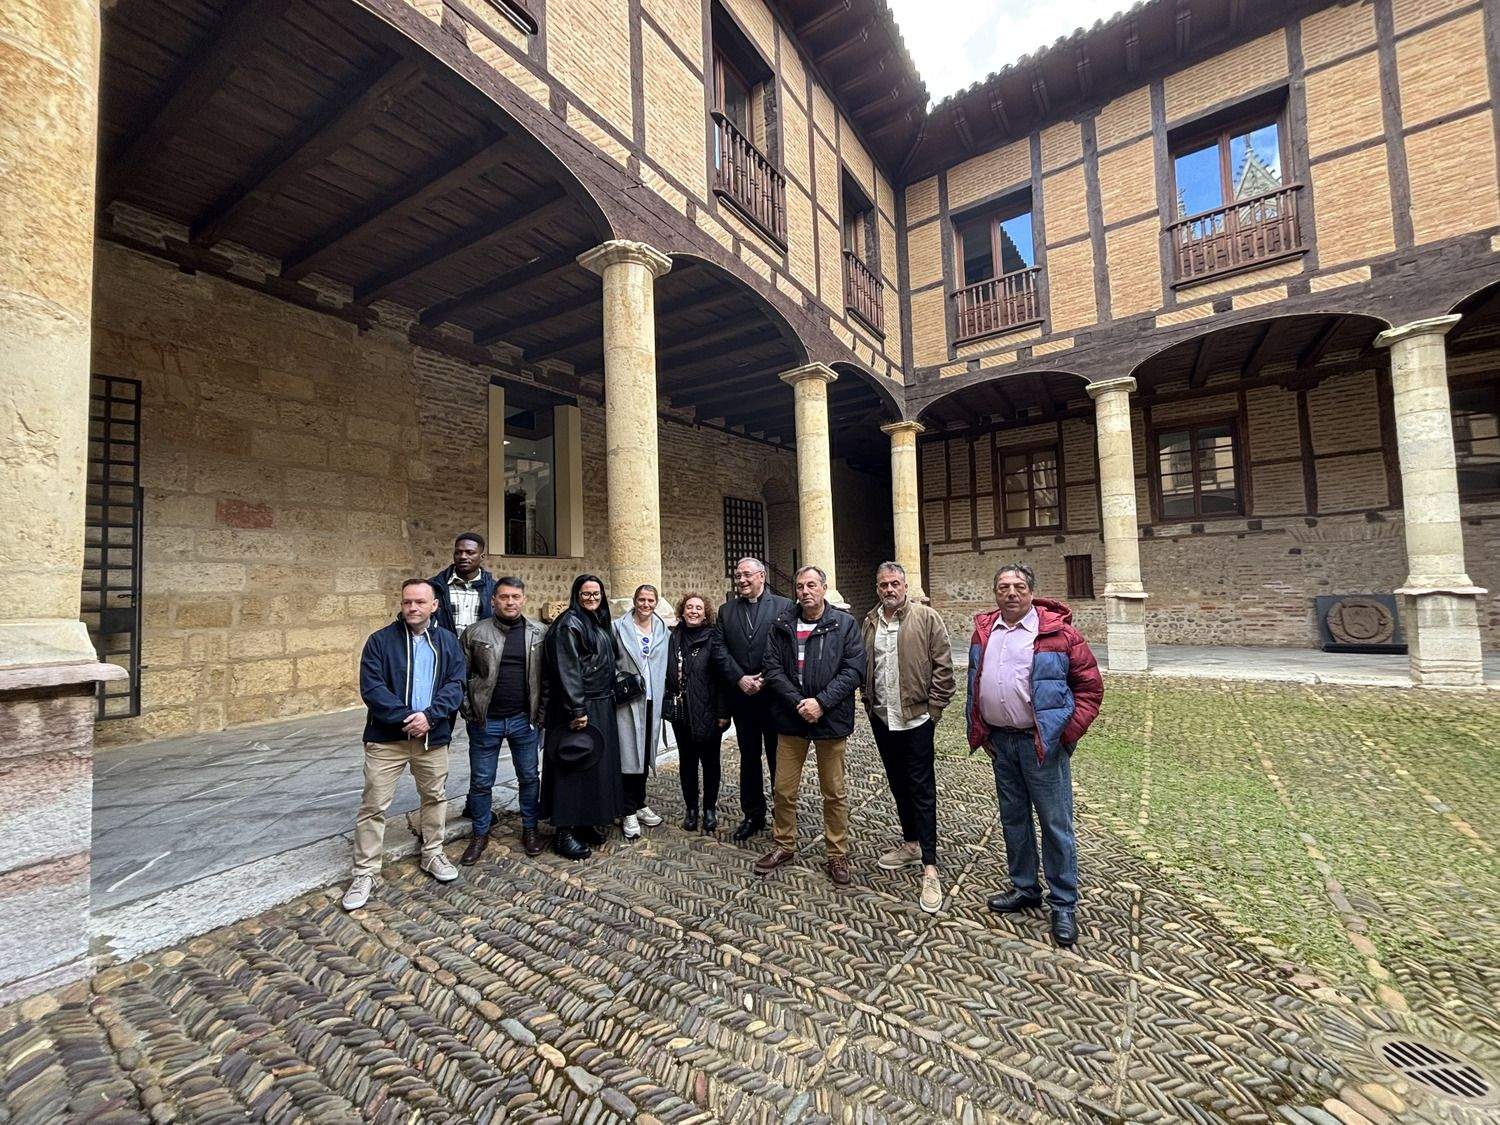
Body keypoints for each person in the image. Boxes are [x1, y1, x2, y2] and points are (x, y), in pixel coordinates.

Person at [967, 562, 1103, 948]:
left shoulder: (1059, 634)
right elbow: (975, 682)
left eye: (1019, 586)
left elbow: (1090, 689)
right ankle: (1024, 887)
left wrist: (1065, 733)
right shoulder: (984, 632)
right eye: (1003, 586)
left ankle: (1063, 903)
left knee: (1055, 825)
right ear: (995, 592)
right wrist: (981, 727)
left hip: (1041, 745)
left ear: (1031, 592)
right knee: (1013, 820)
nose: (1011, 592)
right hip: (1001, 743)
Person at [343, 579, 465, 911]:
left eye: (420, 602)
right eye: (408, 601)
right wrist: (407, 716)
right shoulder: (380, 642)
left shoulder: (448, 642)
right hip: (387, 740)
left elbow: (456, 684)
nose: (413, 607)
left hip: (432, 737)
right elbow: (372, 688)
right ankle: (365, 872)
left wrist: (431, 717)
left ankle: (433, 854)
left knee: (434, 798)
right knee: (374, 805)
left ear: (434, 606)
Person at [754, 565, 866, 886]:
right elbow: (772, 668)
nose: (805, 591)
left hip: (830, 719)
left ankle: (836, 853)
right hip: (791, 719)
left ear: (824, 588)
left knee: (833, 792)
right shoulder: (782, 625)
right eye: (800, 586)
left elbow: (854, 669)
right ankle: (784, 845)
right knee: (783, 789)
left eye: (812, 585)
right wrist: (798, 702)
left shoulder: (843, 624)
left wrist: (821, 703)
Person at [861, 562, 955, 914]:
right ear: (878, 587)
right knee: (898, 783)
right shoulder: (870, 621)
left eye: (895, 583)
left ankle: (930, 865)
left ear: (905, 585)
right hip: (884, 719)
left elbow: (943, 667)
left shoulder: (926, 618)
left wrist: (934, 710)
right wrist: (868, 701)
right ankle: (911, 843)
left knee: (921, 787)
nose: (889, 589)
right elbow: (865, 664)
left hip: (916, 719)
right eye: (883, 584)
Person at [457, 576, 546, 864]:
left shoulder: (539, 633)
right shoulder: (475, 633)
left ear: (523, 599)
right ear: (493, 600)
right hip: (486, 721)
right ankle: (480, 833)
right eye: (504, 597)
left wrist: (540, 714)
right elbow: (460, 676)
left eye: (515, 597)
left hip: (523, 720)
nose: (510, 602)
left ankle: (530, 829)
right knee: (482, 781)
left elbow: (546, 679)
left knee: (529, 777)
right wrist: (468, 709)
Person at [540, 574, 628, 859]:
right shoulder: (568, 624)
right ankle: (564, 833)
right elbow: (568, 670)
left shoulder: (596, 622)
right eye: (586, 594)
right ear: (576, 595)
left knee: (593, 768)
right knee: (571, 766)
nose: (592, 598)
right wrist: (577, 709)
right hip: (578, 707)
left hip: (600, 704)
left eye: (596, 594)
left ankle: (586, 822)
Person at [712, 557, 794, 842]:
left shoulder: (784, 607)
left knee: (777, 758)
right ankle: (753, 814)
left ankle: (782, 816)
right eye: (738, 576)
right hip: (742, 698)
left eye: (747, 575)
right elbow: (719, 649)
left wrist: (765, 678)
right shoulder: (726, 611)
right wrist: (740, 678)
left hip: (773, 697)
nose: (741, 580)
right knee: (749, 757)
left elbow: (788, 648)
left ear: (761, 576)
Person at [664, 593, 731, 832]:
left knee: (711, 763)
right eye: (689, 607)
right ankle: (691, 809)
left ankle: (710, 809)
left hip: (709, 711)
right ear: (682, 611)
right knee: (687, 762)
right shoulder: (672, 638)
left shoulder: (714, 638)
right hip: (681, 712)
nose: (693, 611)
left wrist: (724, 712)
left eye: (698, 608)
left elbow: (723, 678)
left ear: (706, 614)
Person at [613, 584, 668, 839]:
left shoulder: (662, 630)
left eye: (651, 600)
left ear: (656, 603)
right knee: (628, 755)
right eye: (642, 600)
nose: (646, 605)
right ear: (634, 601)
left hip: (651, 701)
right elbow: (608, 662)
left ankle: (640, 802)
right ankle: (627, 810)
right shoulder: (618, 627)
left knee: (645, 754)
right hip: (627, 701)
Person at [429, 532, 497, 638]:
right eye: (458, 552)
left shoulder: (493, 589)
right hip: (443, 650)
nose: (463, 557)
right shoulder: (435, 586)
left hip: (479, 652)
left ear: (482, 556)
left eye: (470, 552)